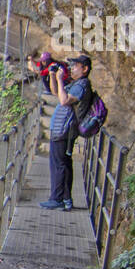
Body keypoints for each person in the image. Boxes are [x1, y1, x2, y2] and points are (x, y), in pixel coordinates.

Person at [40, 54, 91, 211]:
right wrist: (53, 76)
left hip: (65, 129)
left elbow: (63, 101)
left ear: (85, 69)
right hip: (63, 128)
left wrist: (61, 79)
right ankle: (66, 199)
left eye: (75, 66)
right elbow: (57, 93)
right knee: (64, 164)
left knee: (58, 164)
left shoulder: (82, 86)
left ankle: (57, 199)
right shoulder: (77, 84)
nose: (72, 68)